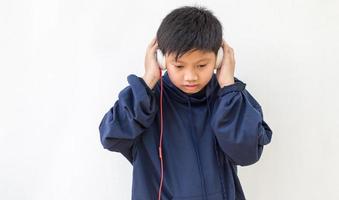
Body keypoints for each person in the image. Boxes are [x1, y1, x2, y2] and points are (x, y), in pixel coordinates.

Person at [99, 5, 273, 200]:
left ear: (219, 59)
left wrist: (228, 90)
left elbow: (247, 153)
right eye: (179, 65)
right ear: (162, 60)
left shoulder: (229, 98)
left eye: (201, 65)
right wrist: (147, 82)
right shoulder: (145, 99)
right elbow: (111, 137)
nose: (190, 76)